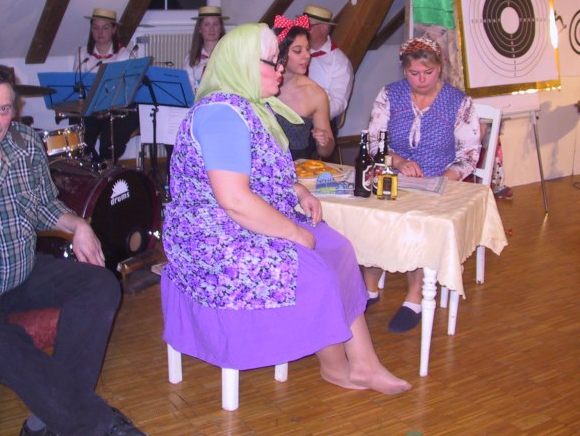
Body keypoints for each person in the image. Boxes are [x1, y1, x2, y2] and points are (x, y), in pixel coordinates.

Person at [160, 23, 410, 395]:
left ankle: (364, 362)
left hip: (241, 223)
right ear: (244, 65)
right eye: (272, 62)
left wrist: (296, 190)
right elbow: (235, 199)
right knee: (313, 268)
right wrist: (293, 232)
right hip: (212, 239)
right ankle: (335, 367)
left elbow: (258, 171)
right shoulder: (220, 116)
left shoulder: (249, 107)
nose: (281, 69)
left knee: (339, 249)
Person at [0, 61, 145, 436]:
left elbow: (42, 205)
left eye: (3, 109)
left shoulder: (24, 143)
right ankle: (96, 425)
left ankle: (45, 422)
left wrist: (78, 225)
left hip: (23, 271)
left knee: (101, 284)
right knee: (1, 342)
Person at [365, 37, 481, 334]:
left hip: (439, 180)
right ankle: (368, 288)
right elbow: (374, 140)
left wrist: (443, 178)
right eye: (414, 73)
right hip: (394, 174)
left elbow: (469, 154)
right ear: (404, 71)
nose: (421, 80)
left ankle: (414, 297)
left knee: (419, 224)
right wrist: (399, 160)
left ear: (439, 68)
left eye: (428, 73)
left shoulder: (459, 102)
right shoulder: (390, 95)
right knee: (372, 215)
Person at [72, 8, 137, 162]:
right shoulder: (82, 54)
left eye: (105, 28)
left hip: (117, 108)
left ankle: (105, 163)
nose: (100, 32)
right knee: (78, 129)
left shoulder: (126, 55)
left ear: (114, 30)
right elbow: (78, 88)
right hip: (91, 108)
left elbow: (129, 90)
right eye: (95, 28)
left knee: (111, 139)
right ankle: (87, 162)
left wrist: (107, 107)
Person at [272, 14, 335, 160]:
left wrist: (324, 142)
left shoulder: (315, 94)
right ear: (279, 52)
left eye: (307, 49)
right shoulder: (260, 86)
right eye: (298, 50)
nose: (307, 56)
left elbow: (326, 152)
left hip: (297, 167)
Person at [304, 4, 354, 131]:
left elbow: (339, 102)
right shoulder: (293, 53)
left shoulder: (340, 62)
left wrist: (313, 115)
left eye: (308, 26)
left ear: (324, 29)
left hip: (319, 122)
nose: (302, 29)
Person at [182, 5, 228, 92]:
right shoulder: (191, 58)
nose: (211, 29)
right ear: (199, 29)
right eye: (207, 25)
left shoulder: (229, 56)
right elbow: (188, 86)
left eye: (215, 24)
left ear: (220, 28)